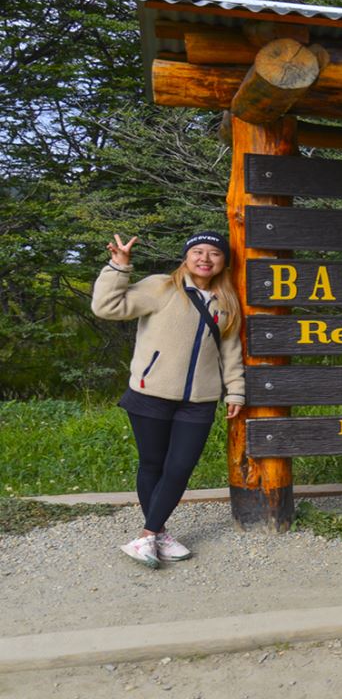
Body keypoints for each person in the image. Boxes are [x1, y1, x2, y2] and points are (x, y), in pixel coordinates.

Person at [92, 231, 245, 569]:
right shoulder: (160, 287)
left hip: (200, 399)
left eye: (214, 254)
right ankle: (156, 533)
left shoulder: (227, 300)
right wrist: (119, 267)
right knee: (152, 465)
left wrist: (235, 390)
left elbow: (230, 351)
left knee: (180, 468)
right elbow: (106, 307)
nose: (205, 258)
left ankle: (148, 535)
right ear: (186, 256)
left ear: (224, 262)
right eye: (198, 251)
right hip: (150, 394)